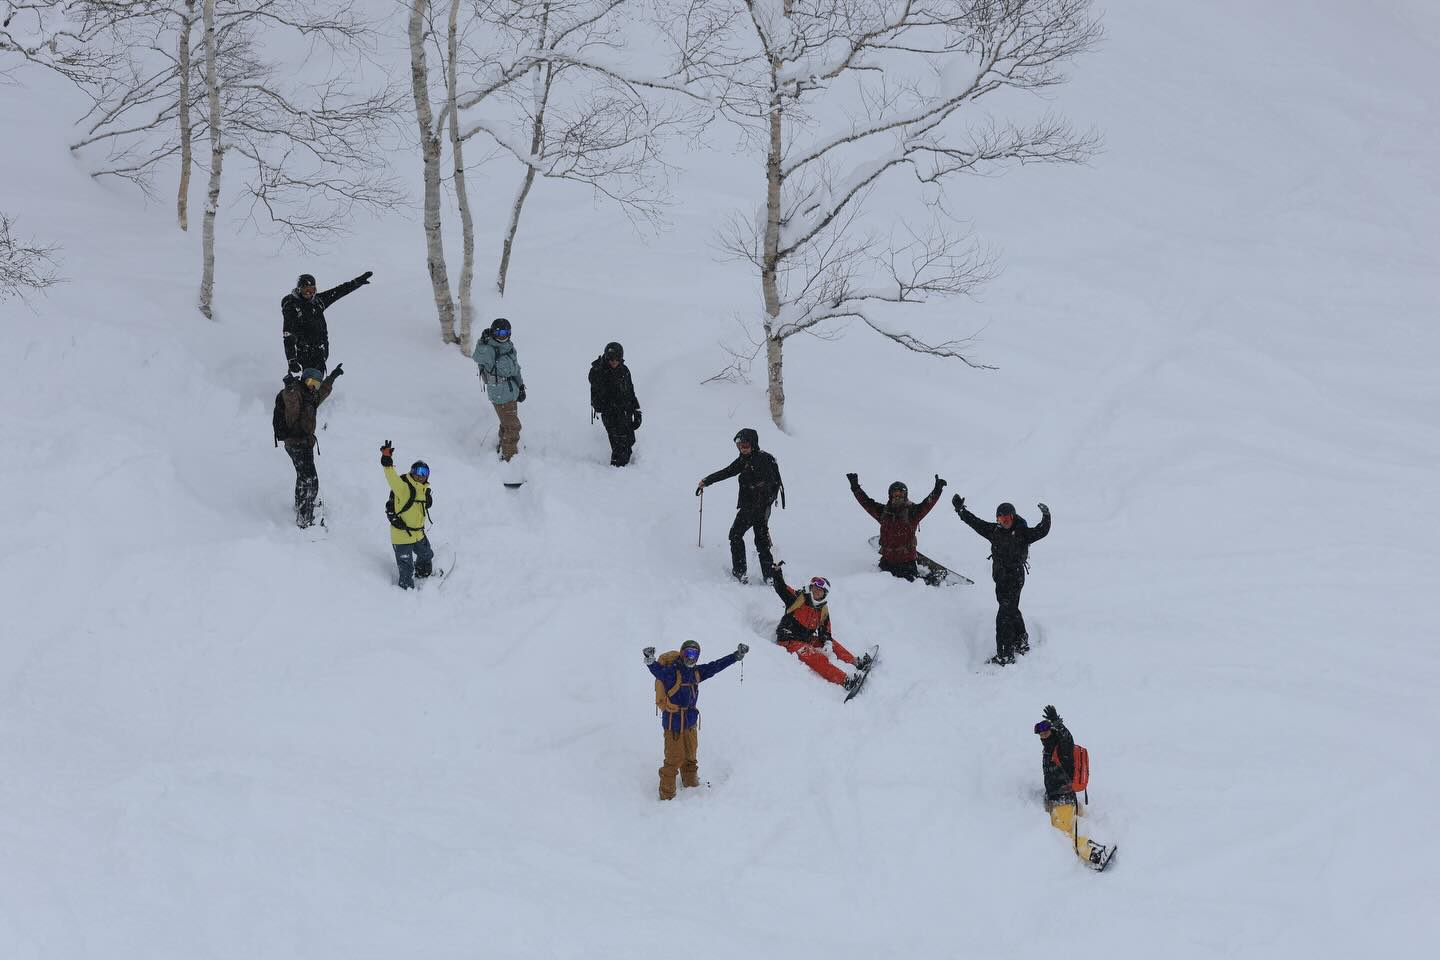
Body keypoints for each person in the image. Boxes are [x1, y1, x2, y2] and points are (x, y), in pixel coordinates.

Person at [644, 639, 748, 800]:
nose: (691, 657)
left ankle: (691, 785)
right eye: (688, 653)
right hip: (673, 724)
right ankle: (667, 794)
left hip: (690, 723)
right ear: (682, 653)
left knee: (690, 756)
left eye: (694, 654)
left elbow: (716, 665)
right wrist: (650, 660)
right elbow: (658, 671)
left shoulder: (697, 672)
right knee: (673, 759)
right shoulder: (672, 672)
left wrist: (736, 656)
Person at [953, 496, 1051, 664]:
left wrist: (1046, 516)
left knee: (1004, 614)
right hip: (1000, 576)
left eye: (1008, 517)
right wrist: (960, 510)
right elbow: (975, 522)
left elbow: (1041, 531)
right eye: (1001, 518)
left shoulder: (1022, 533)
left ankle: (1005, 654)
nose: (1005, 521)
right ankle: (1021, 641)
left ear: (1014, 517)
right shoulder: (994, 531)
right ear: (997, 519)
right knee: (1010, 609)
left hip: (1015, 576)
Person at [696, 428, 783, 584]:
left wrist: (757, 490)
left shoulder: (762, 460)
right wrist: (707, 481)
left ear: (753, 444)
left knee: (736, 535)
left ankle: (741, 572)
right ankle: (768, 576)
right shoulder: (744, 459)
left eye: (746, 445)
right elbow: (728, 471)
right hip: (758, 508)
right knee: (760, 539)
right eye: (740, 446)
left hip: (756, 507)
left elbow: (769, 483)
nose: (743, 448)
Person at [769, 565, 870, 692]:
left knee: (832, 643)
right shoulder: (798, 598)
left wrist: (827, 642)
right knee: (816, 657)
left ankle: (857, 662)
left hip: (806, 638)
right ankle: (846, 681)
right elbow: (781, 588)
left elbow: (825, 631)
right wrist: (777, 573)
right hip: (789, 641)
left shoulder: (823, 608)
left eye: (820, 590)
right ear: (811, 588)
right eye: (815, 588)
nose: (816, 592)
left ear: (824, 594)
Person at [1035, 705, 1111, 868]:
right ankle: (1094, 850)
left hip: (1064, 800)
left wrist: (1058, 723)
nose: (1043, 736)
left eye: (1046, 732)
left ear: (1052, 731)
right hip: (1057, 800)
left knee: (1068, 835)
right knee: (1065, 833)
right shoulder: (1047, 751)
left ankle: (1096, 854)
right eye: (1040, 734)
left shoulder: (1061, 748)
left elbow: (1067, 741)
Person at [271, 364, 344, 528]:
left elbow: (323, 392)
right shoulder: (295, 393)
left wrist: (331, 377)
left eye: (316, 384)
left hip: (305, 443)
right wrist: (289, 389)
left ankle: (302, 504)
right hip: (295, 443)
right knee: (309, 478)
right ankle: (304, 517)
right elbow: (292, 411)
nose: (314, 386)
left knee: (304, 477)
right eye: (311, 382)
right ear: (304, 380)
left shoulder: (310, 396)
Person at [847, 473, 946, 580]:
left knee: (909, 591)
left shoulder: (913, 512)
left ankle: (929, 579)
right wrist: (855, 488)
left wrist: (937, 490)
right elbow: (866, 503)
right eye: (895, 494)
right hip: (886, 562)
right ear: (890, 495)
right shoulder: (883, 512)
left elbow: (927, 504)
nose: (897, 496)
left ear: (905, 495)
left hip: (907, 564)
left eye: (900, 494)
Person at [281, 270, 372, 376]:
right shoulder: (292, 307)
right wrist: (291, 359)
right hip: (305, 353)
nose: (309, 293)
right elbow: (288, 335)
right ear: (299, 289)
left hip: (321, 352)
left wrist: (357, 282)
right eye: (306, 289)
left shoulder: (318, 302)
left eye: (312, 290)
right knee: (309, 385)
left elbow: (338, 291)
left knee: (316, 384)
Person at [379, 442, 434, 589]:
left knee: (427, 555)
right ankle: (405, 592)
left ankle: (423, 575)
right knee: (406, 568)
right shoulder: (403, 488)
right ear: (412, 472)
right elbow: (391, 477)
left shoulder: (424, 490)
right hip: (402, 535)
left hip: (418, 534)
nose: (420, 475)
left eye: (424, 472)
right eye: (418, 471)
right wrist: (387, 460)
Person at [472, 318, 526, 461]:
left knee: (507, 423)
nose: (503, 335)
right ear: (493, 332)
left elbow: (516, 368)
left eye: (506, 331)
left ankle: (504, 446)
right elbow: (477, 356)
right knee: (513, 427)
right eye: (499, 332)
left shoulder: (509, 346)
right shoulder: (488, 348)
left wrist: (520, 386)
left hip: (511, 390)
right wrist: (482, 341)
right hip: (499, 392)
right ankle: (510, 459)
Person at [589, 341, 641, 466]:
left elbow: (630, 391)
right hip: (609, 413)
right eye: (611, 358)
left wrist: (636, 410)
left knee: (629, 441)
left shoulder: (624, 370)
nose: (614, 361)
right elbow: (595, 386)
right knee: (619, 445)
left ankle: (623, 469)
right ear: (606, 357)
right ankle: (617, 472)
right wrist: (600, 369)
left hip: (625, 410)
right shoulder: (599, 371)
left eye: (617, 359)